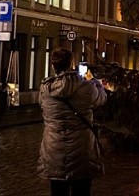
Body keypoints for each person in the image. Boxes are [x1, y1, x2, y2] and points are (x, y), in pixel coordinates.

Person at [38, 48, 108, 196]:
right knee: (81, 190)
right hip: (82, 150)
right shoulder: (86, 87)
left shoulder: (45, 89)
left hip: (53, 149)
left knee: (57, 191)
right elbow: (102, 99)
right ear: (72, 64)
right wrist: (95, 82)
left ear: (53, 66)